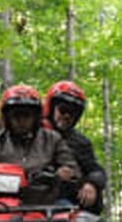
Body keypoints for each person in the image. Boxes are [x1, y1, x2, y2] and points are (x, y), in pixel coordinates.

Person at [42, 81, 107, 214]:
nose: (67, 115)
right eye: (63, 109)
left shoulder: (80, 142)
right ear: (51, 108)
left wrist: (92, 184)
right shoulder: (33, 134)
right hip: (34, 198)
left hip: (68, 201)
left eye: (72, 112)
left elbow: (96, 170)